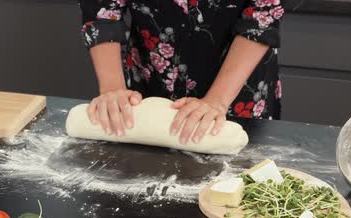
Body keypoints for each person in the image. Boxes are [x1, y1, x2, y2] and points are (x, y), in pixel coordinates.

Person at [79, 0, 283, 144]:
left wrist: (217, 101)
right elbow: (102, 10)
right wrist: (112, 88)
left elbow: (261, 15)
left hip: (238, 92)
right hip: (147, 90)